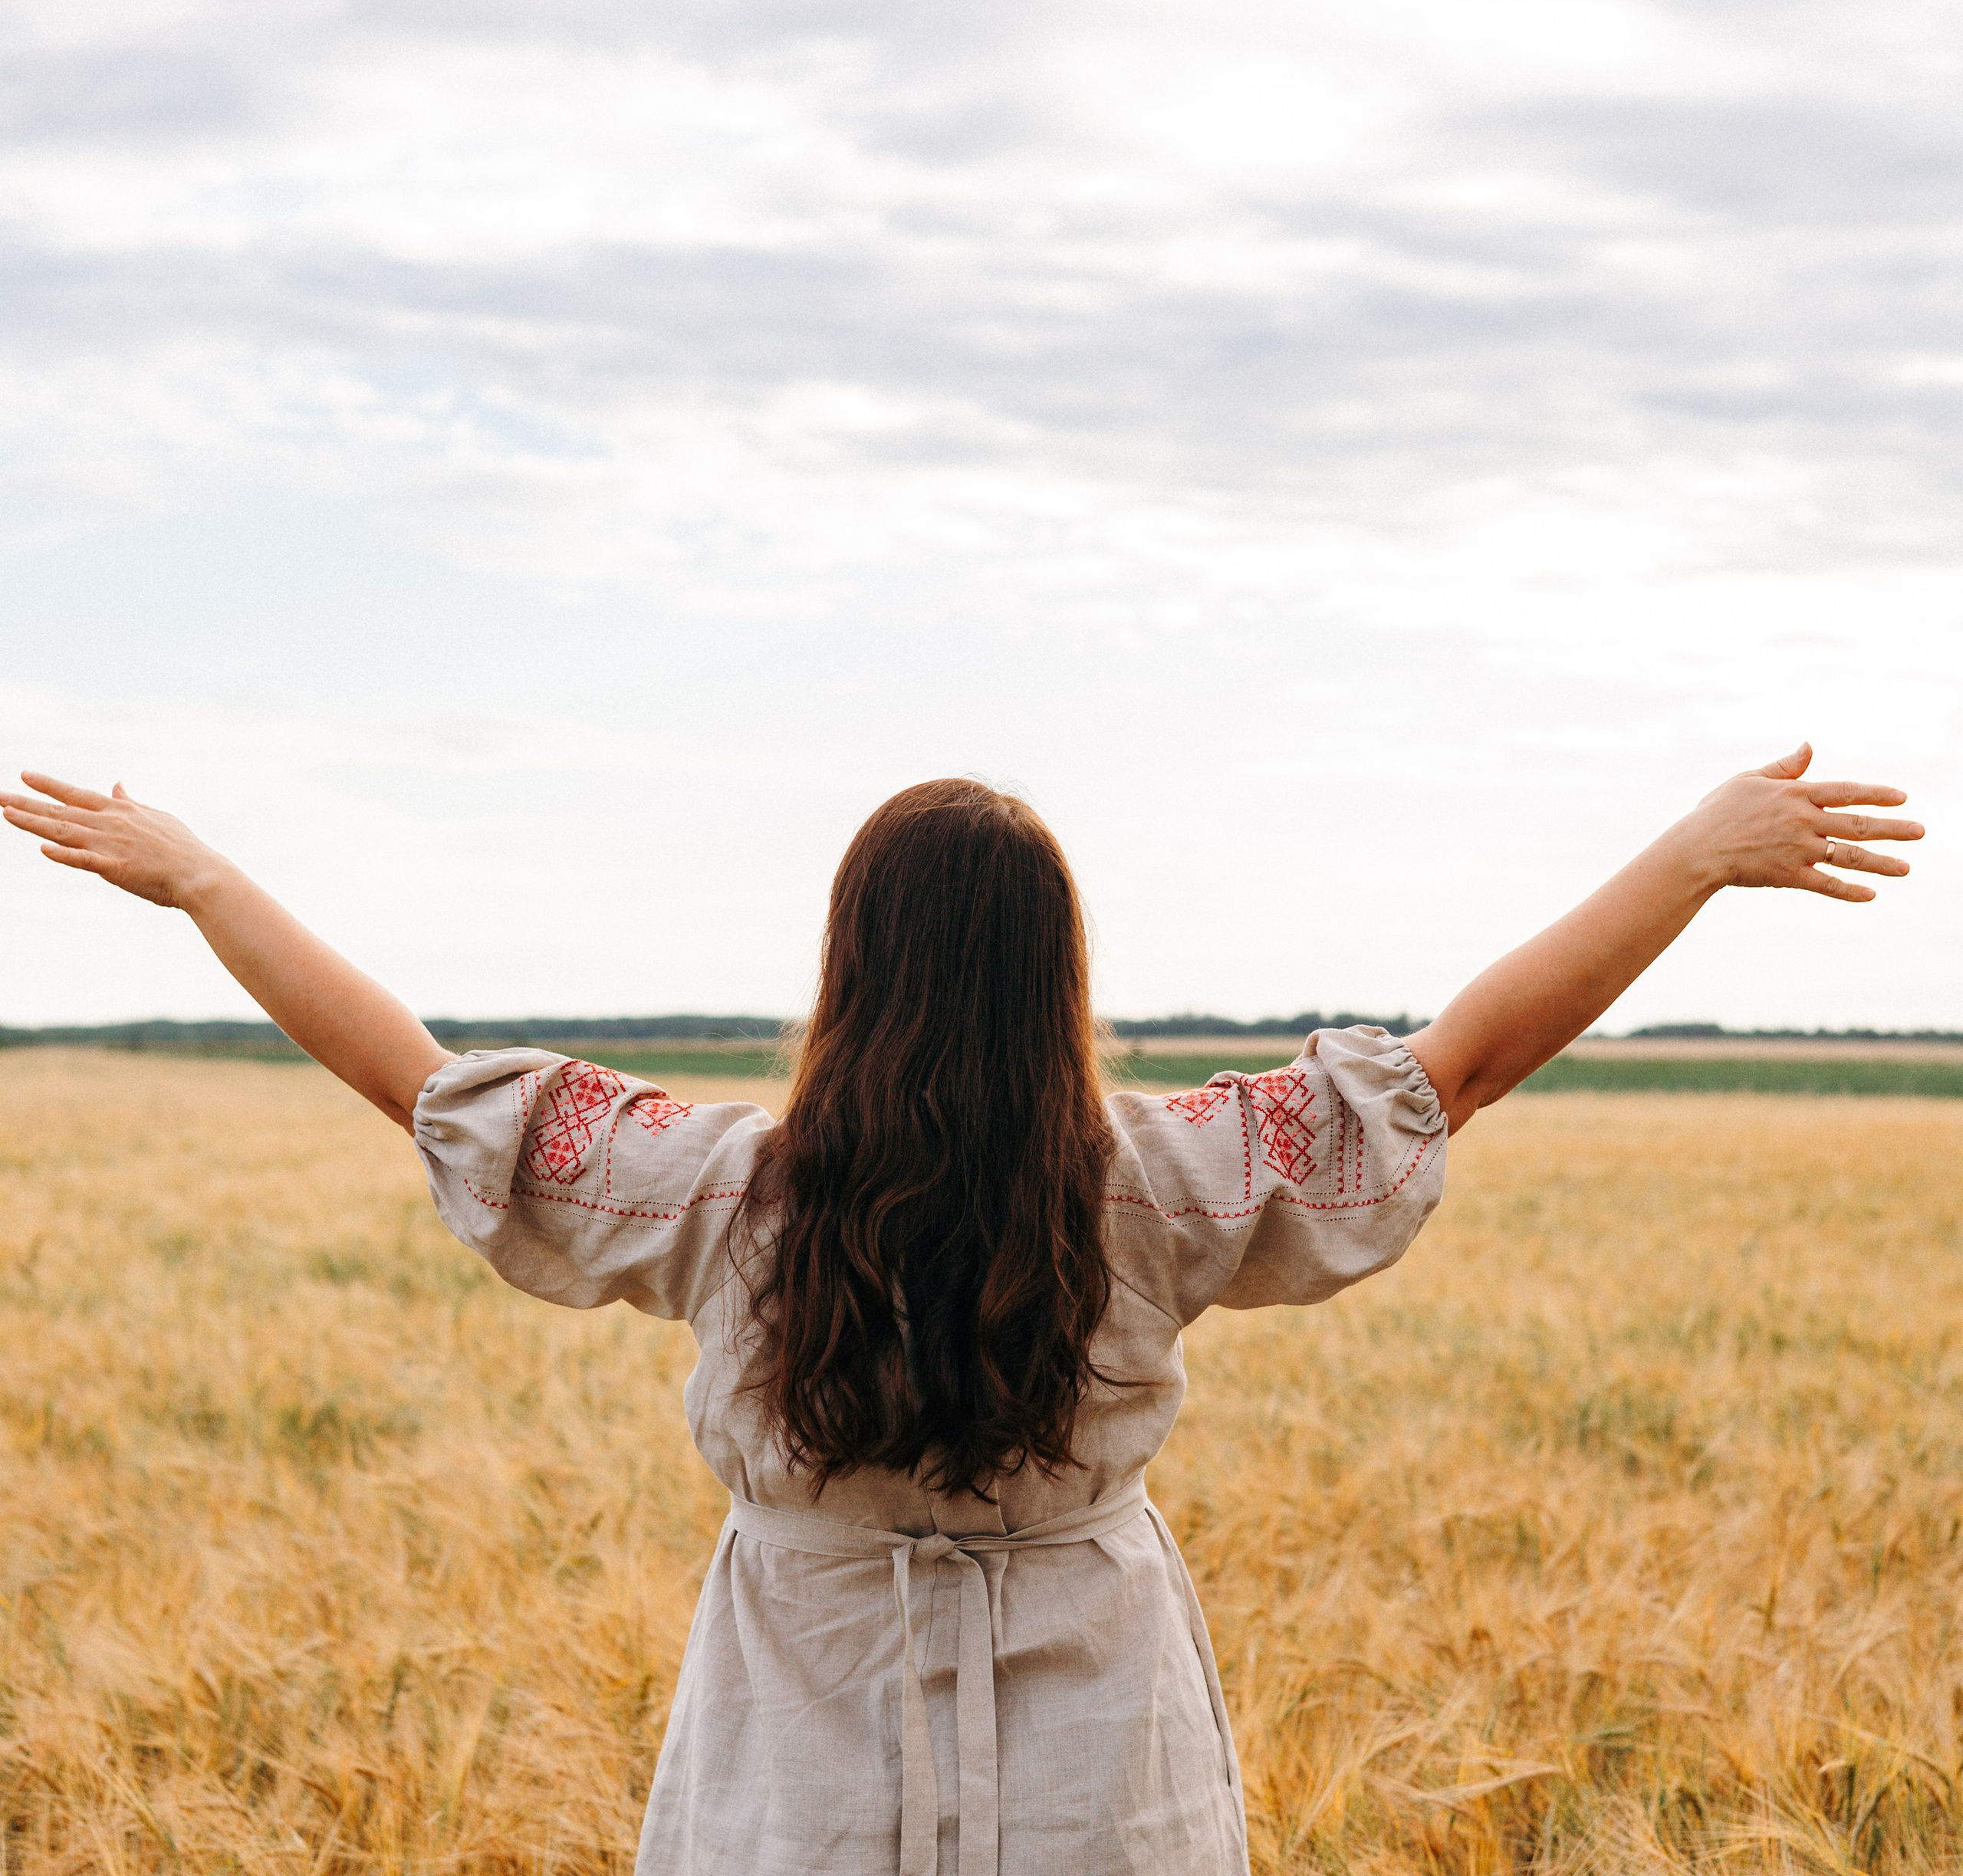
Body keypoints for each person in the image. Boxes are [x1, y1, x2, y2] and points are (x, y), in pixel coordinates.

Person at [0, 747, 1921, 1876]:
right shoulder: (1156, 1179)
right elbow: (1461, 1063)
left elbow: (413, 1077)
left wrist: (203, 884)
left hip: (797, 1723)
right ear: (1056, 976)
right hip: (1104, 1733)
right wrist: (1688, 858)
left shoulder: (721, 1182)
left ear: (849, 965)